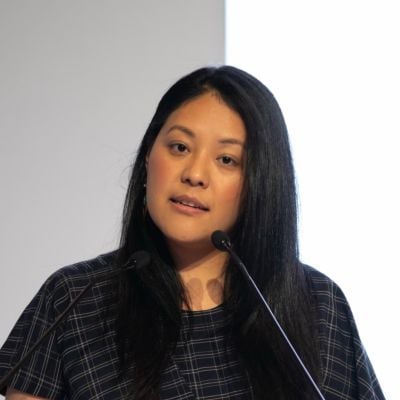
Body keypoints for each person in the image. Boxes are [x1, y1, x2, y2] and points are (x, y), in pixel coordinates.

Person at [0, 66, 385, 400]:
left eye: (226, 159)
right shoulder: (75, 298)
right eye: (180, 146)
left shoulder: (316, 304)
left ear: (260, 183)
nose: (195, 174)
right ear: (149, 155)